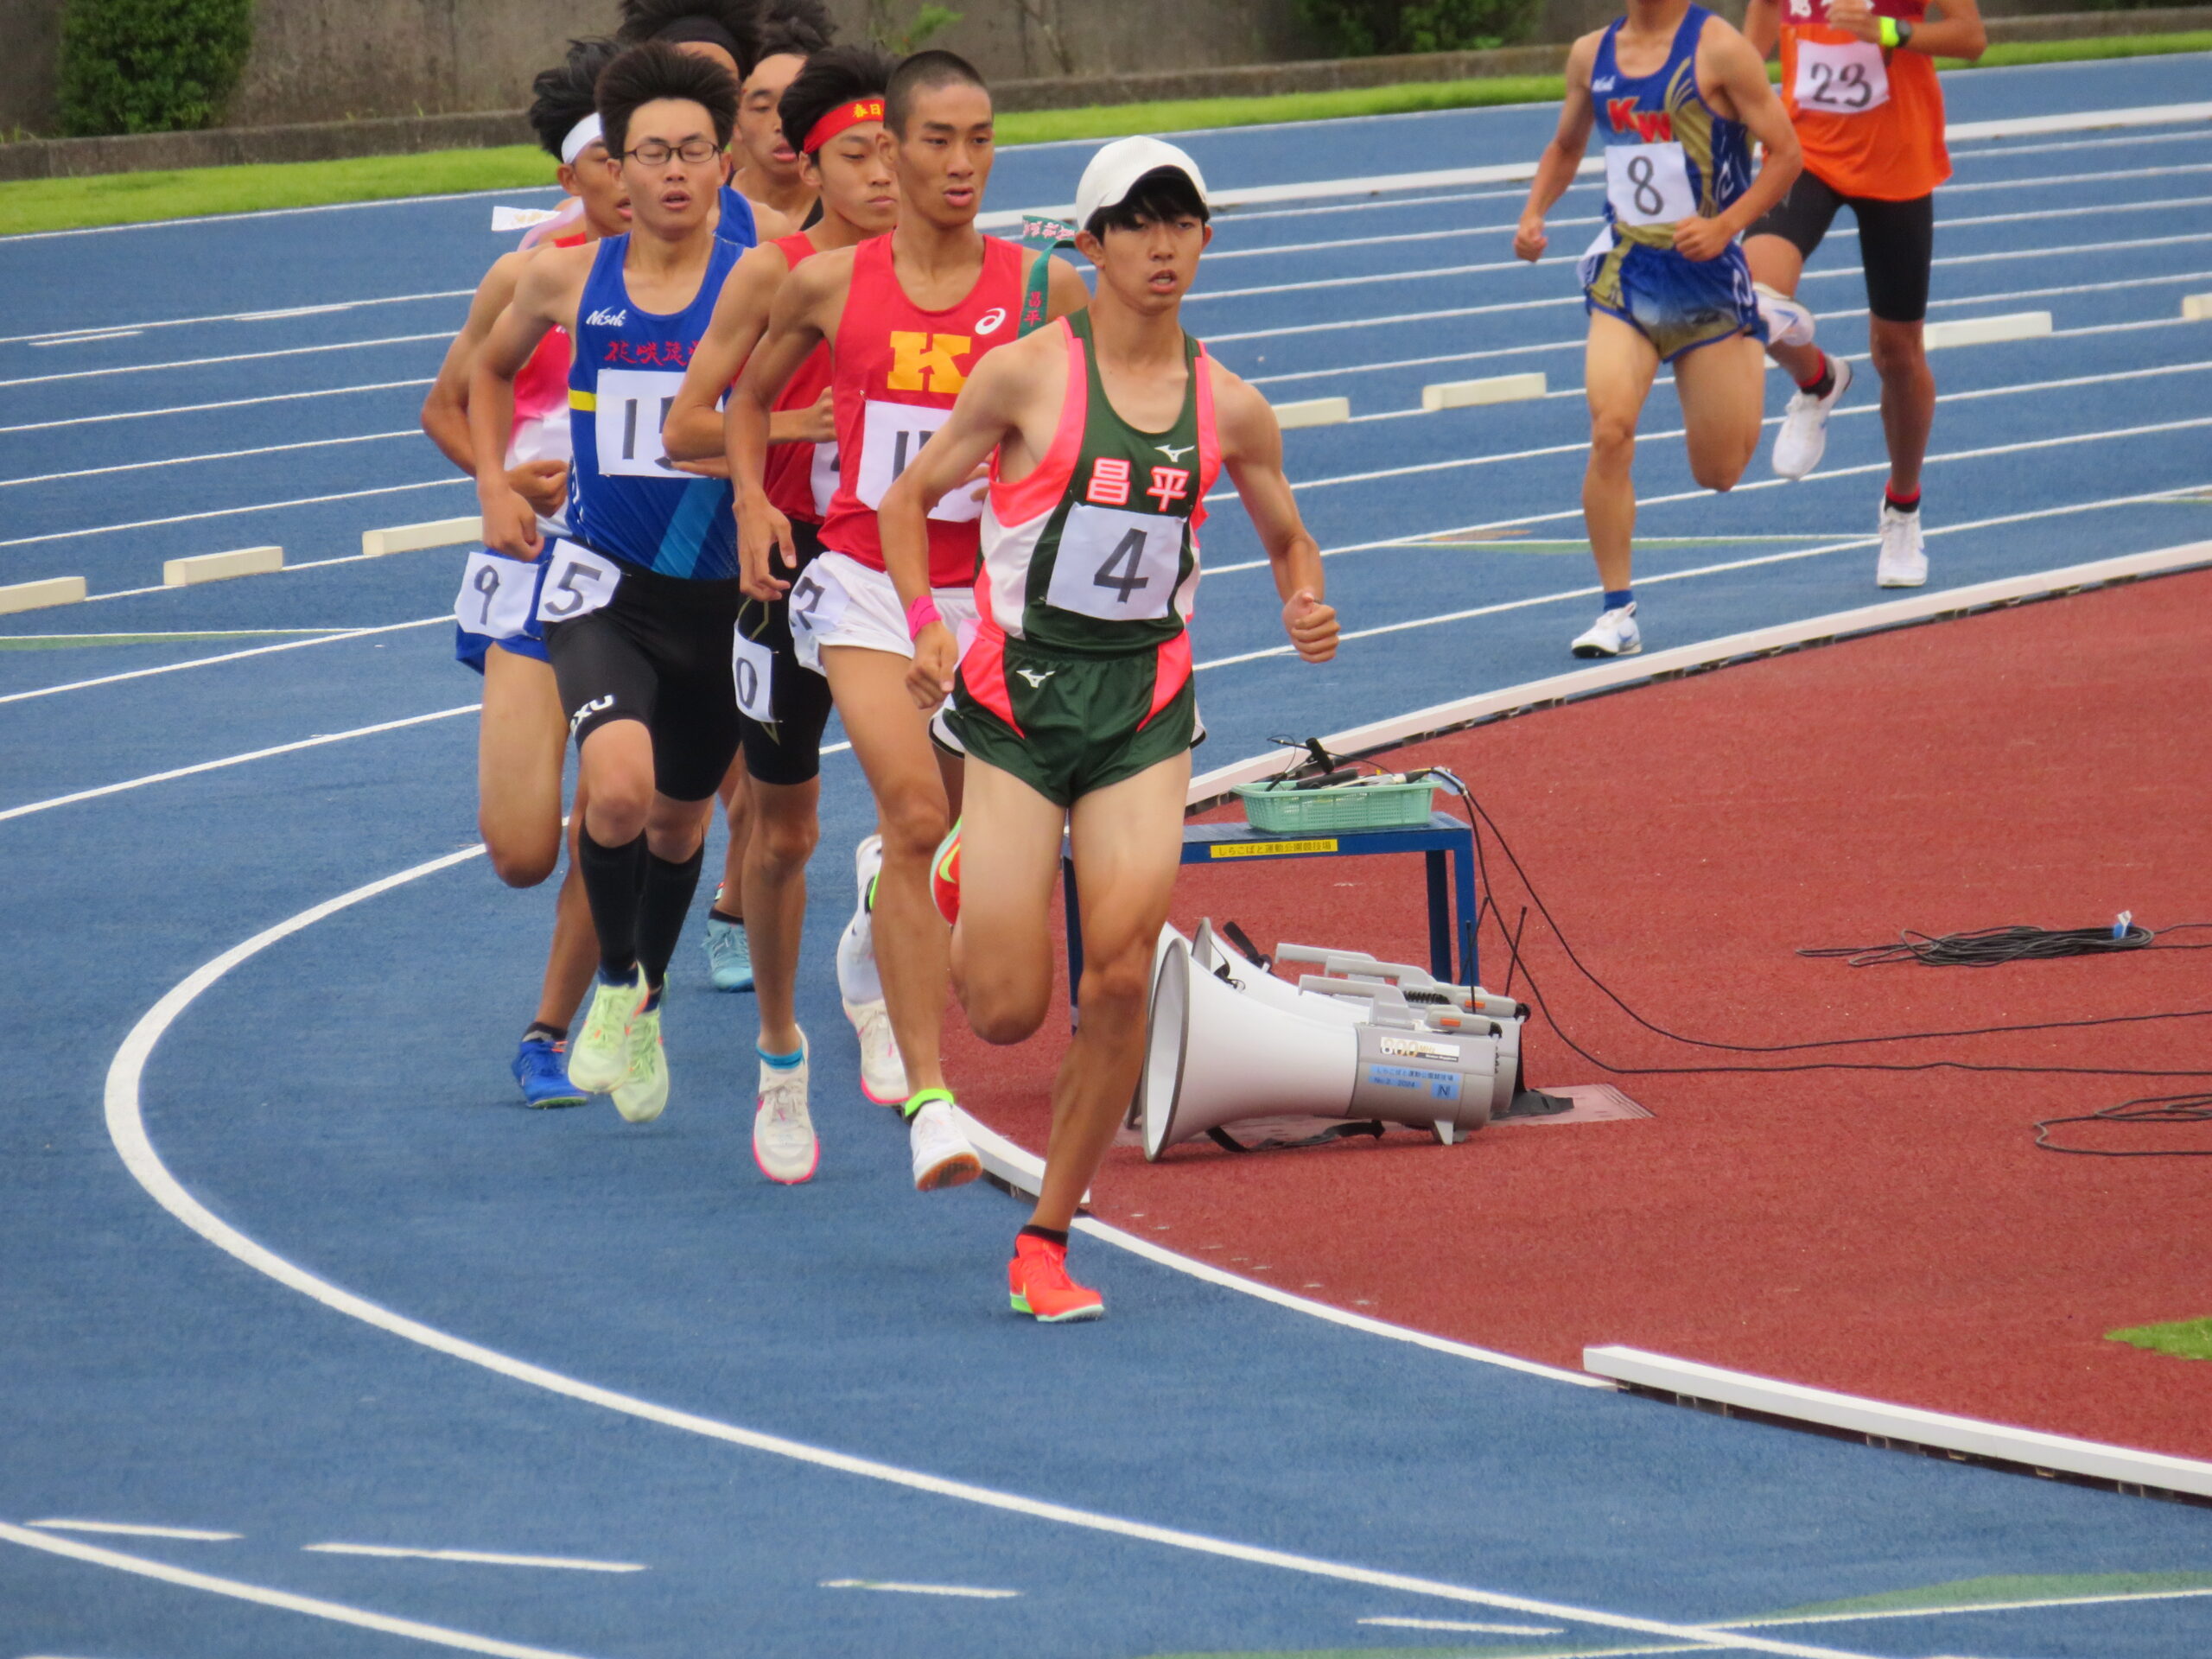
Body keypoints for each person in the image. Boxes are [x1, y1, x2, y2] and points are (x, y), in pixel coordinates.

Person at [883, 137, 1338, 1321]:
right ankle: (966, 863)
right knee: (1004, 1010)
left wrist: (1303, 594)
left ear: (1204, 239)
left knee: (1125, 964)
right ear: (1090, 245)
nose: (1161, 244)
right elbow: (906, 500)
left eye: (1181, 221)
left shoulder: (1231, 404)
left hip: (1140, 708)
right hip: (1020, 704)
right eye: (1135, 223)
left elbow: (1289, 532)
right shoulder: (1028, 376)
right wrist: (926, 624)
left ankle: (1046, 1239)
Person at [729, 49, 1090, 1192]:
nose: (962, 163)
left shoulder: (1047, 289)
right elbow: (744, 400)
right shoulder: (830, 285)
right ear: (891, 149)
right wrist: (749, 499)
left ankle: (885, 905)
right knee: (914, 804)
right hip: (869, 579)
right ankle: (933, 1103)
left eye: (982, 141)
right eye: (938, 140)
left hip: (999, 587)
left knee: (996, 870)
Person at [471, 41, 747, 1125]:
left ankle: (638, 1000)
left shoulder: (763, 279)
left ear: (721, 166)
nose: (672, 173)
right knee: (618, 791)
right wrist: (495, 484)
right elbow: (484, 371)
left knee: (679, 827)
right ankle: (617, 986)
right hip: (601, 584)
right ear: (613, 172)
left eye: (690, 152)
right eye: (649, 155)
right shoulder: (563, 275)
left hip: (724, 598)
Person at [664, 45, 901, 1184]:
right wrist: (792, 455)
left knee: (945, 812)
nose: (889, 173)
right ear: (810, 163)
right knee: (783, 825)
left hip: (913, 571)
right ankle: (779, 1055)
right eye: (860, 154)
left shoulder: (967, 278)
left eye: (900, 148)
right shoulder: (777, 274)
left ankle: (870, 949)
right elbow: (684, 429)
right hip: (789, 570)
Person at [418, 37, 628, 1109]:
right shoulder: (529, 272)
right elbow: (445, 405)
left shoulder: (723, 267)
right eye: (608, 161)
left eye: (650, 156)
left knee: (613, 805)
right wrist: (498, 484)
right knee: (516, 851)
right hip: (535, 573)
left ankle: (554, 1028)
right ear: (571, 176)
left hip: (647, 573)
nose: (632, 180)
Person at [1516, 0, 1808, 658]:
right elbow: (1567, 144)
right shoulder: (1592, 54)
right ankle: (1617, 610)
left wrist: (1726, 226)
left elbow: (1786, 153)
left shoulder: (1720, 49)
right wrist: (1534, 211)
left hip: (1708, 281)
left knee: (1720, 471)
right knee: (1610, 429)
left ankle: (1764, 319)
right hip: (1627, 273)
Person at [1742, 0, 1985, 588]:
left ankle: (1903, 510)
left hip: (1895, 160)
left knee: (1897, 355)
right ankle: (1817, 380)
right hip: (1805, 152)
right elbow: (1759, 30)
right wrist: (1748, 105)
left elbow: (1970, 37)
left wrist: (1888, 29)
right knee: (1748, 297)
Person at [614, 0, 792, 246]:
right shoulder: (601, 223)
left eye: (717, 84)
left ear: (740, 99)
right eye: (682, 82)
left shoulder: (767, 231)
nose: (698, 102)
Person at [730, 1, 836, 224]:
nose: (782, 124)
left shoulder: (853, 212)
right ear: (734, 120)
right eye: (762, 108)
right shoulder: (708, 213)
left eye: (797, 105)